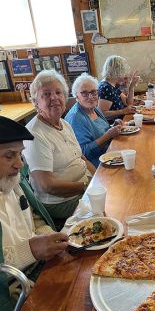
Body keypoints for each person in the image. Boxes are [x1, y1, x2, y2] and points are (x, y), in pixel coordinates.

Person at [0, 116, 68, 311]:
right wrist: (31, 250)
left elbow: (37, 218)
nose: (19, 164)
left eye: (20, 154)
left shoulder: (14, 182)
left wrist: (47, 235)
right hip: (13, 289)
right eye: (9, 156)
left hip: (42, 266)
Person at [23, 70, 96, 224]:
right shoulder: (34, 134)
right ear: (36, 102)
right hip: (59, 202)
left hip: (82, 186)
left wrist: (98, 178)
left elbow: (81, 157)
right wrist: (86, 188)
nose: (54, 97)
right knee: (108, 205)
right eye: (46, 94)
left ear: (65, 97)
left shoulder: (64, 124)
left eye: (58, 92)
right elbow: (47, 186)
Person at [65, 73, 123, 168]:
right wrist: (108, 135)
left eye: (93, 92)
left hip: (110, 155)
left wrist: (114, 125)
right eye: (84, 93)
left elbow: (102, 130)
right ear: (76, 96)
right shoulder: (76, 118)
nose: (90, 97)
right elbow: (84, 153)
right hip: (97, 165)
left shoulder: (94, 108)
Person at [98, 55, 139, 120]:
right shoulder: (106, 87)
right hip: (113, 127)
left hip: (122, 122)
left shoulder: (113, 85)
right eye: (124, 72)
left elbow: (128, 103)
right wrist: (122, 111)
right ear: (117, 71)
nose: (125, 75)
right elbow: (102, 114)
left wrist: (132, 86)